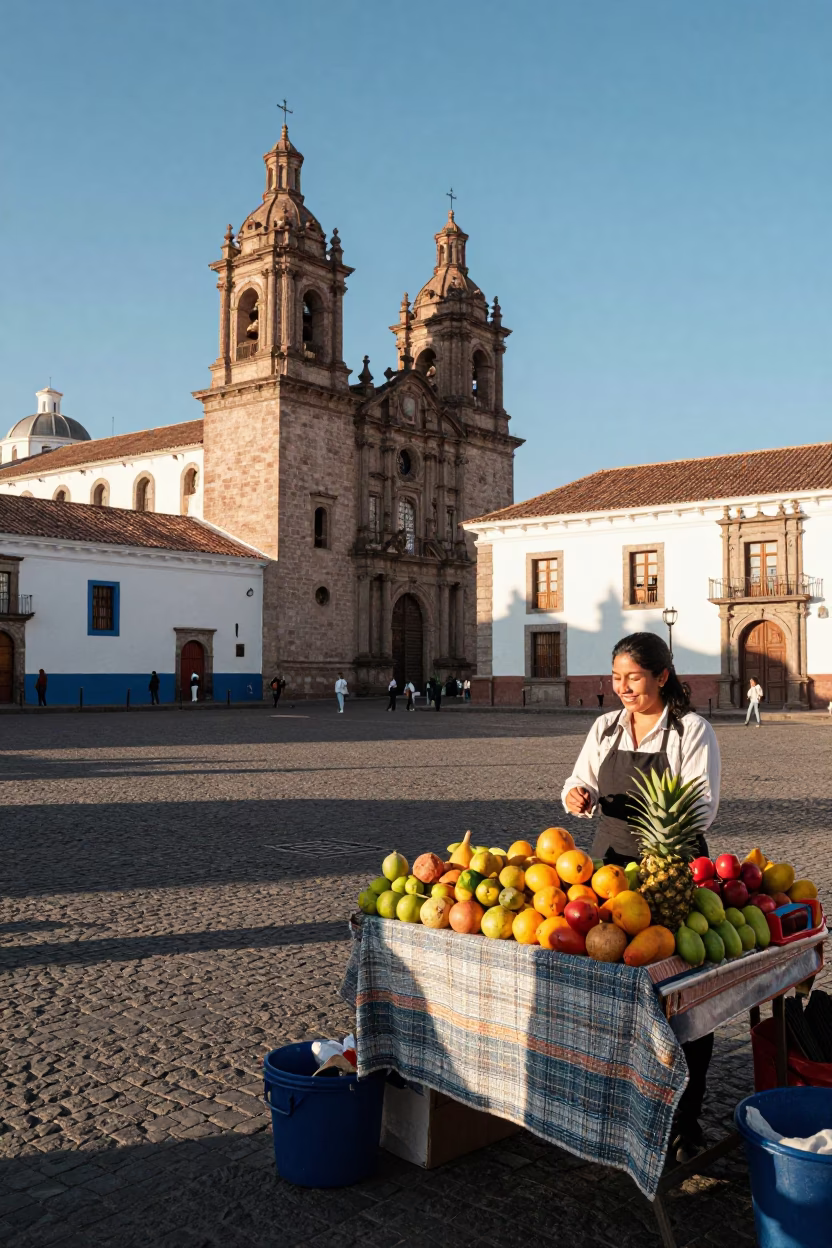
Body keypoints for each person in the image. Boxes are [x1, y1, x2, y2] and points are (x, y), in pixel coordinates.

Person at [561, 631, 721, 1164]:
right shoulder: (604, 727)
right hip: (607, 875)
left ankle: (685, 1118)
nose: (624, 688)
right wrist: (577, 796)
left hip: (672, 877)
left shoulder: (690, 732)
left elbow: (700, 808)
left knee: (682, 1002)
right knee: (613, 991)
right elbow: (577, 783)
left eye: (633, 678)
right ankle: (621, 1102)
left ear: (661, 677)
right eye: (616, 678)